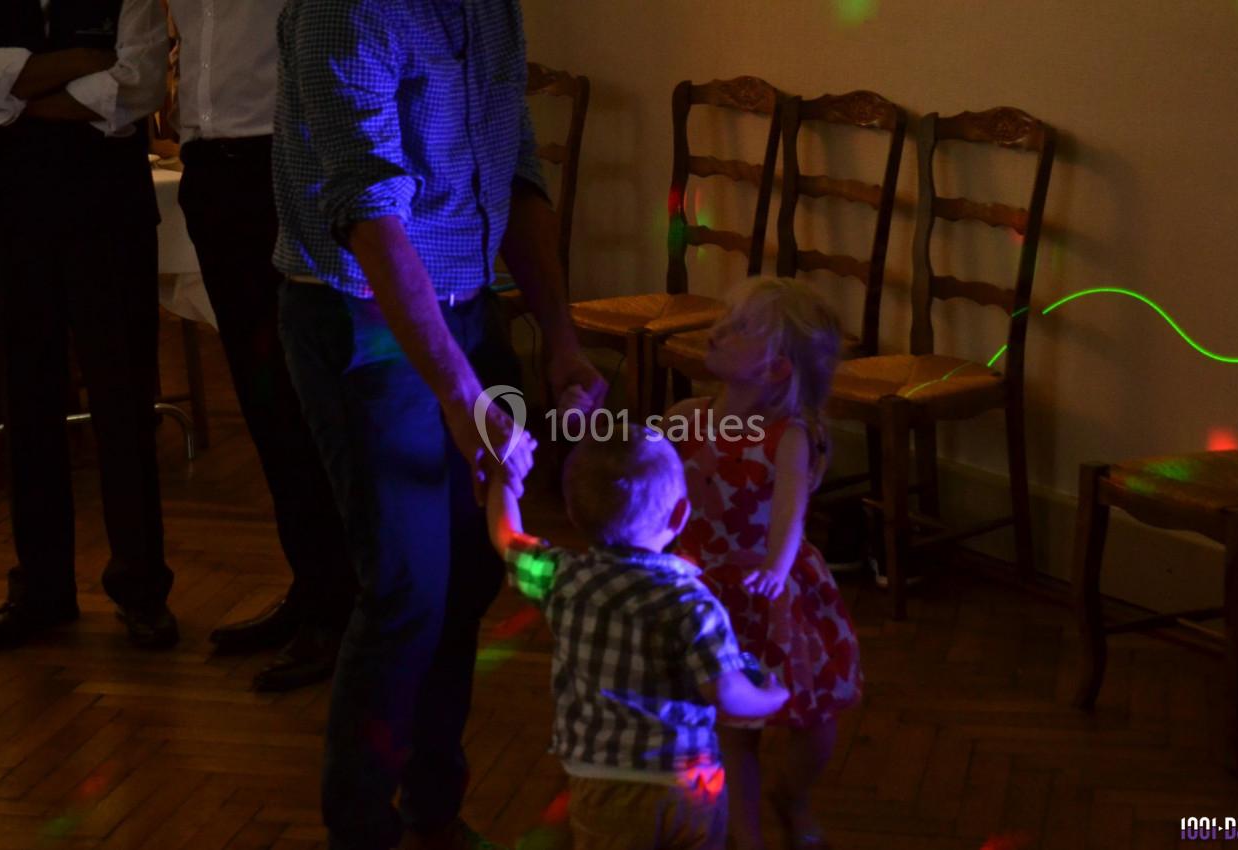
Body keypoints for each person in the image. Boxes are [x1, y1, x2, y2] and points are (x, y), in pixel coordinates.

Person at [271, 1, 606, 847]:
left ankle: (432, 809)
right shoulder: (347, 11)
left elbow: (515, 169)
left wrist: (560, 337)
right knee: (406, 591)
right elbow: (368, 214)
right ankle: (362, 829)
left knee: (467, 577)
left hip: (467, 305)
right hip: (363, 317)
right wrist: (461, 397)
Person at [164, 0, 355, 691]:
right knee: (262, 394)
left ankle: (344, 606)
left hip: (285, 158)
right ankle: (312, 586)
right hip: (208, 166)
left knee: (310, 398)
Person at [0, 0, 179, 650]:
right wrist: (81, 66)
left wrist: (14, 93)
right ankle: (41, 589)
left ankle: (141, 588)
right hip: (8, 219)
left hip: (109, 220)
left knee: (125, 407)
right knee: (27, 407)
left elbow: (138, 87)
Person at [487, 426, 791, 850]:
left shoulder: (563, 579)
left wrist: (505, 479)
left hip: (601, 787)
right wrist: (772, 698)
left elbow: (507, 539)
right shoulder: (691, 602)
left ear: (573, 514)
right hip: (689, 785)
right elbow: (726, 693)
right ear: (680, 514)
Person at [669, 278, 864, 850]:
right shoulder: (686, 416)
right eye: (726, 317)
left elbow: (789, 511)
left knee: (814, 718)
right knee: (734, 729)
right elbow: (643, 473)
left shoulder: (788, 436)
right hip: (709, 595)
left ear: (776, 368)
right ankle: (745, 835)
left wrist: (776, 569)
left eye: (741, 327)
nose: (719, 329)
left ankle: (792, 795)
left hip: (775, 596)